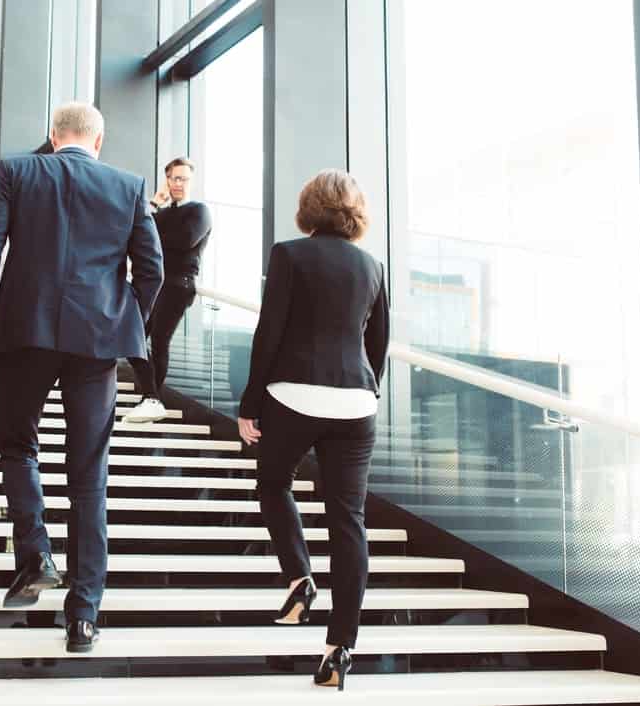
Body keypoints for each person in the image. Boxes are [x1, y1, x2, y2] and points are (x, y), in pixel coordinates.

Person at [0, 102, 163, 653]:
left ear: (53, 137)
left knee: (18, 445)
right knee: (89, 474)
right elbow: (153, 269)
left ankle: (35, 555)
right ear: (98, 140)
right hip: (96, 345)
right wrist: (124, 320)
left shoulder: (18, 171)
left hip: (25, 332)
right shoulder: (128, 186)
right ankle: (84, 617)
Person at [237, 169, 389, 691]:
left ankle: (300, 579)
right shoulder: (373, 266)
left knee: (273, 484)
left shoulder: (289, 254)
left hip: (292, 394)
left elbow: (270, 330)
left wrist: (249, 402)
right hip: (355, 400)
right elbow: (379, 343)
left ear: (309, 208)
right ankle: (338, 649)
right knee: (349, 520)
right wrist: (368, 390)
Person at [123, 157, 212, 423]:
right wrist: (152, 205)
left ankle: (152, 398)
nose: (178, 183)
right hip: (155, 284)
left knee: (159, 340)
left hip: (179, 284)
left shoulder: (199, 210)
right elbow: (135, 234)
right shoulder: (160, 213)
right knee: (132, 334)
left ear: (192, 181)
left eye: (183, 178)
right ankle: (151, 396)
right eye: (173, 178)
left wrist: (154, 233)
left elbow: (184, 240)